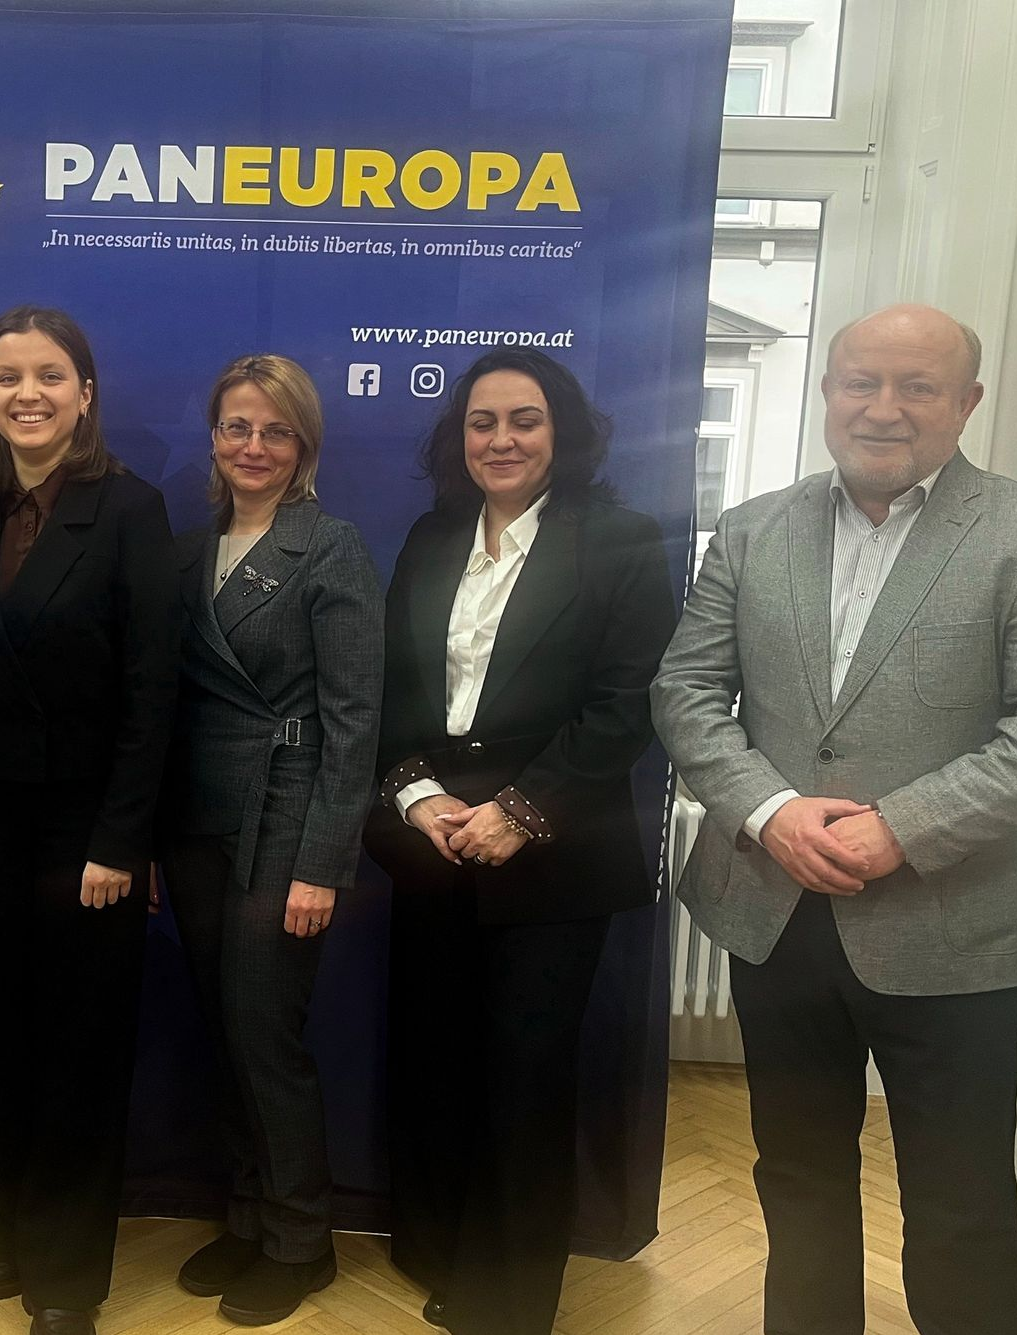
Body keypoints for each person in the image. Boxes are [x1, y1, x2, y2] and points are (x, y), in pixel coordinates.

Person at [652, 303, 1017, 1335]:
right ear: (828, 392)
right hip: (774, 913)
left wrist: (901, 827)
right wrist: (769, 811)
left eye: (917, 386)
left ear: (966, 403)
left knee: (959, 1200)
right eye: (861, 382)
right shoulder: (753, 528)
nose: (883, 408)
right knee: (795, 1174)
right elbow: (686, 692)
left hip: (956, 928)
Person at [362, 348, 676, 1335]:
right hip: (433, 844)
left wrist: (522, 809)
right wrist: (418, 799)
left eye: (524, 420)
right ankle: (438, 1251)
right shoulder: (431, 537)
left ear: (562, 432)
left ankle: (508, 1296)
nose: (501, 439)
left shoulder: (620, 541)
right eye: (482, 422)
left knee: (526, 1076)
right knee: (438, 1058)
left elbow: (629, 705)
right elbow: (392, 684)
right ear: (459, 439)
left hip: (555, 851)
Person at [0, 306, 179, 1335]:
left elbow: (153, 690)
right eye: (8, 376)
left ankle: (67, 1276)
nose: (29, 393)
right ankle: (10, 1233)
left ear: (86, 394)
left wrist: (122, 840)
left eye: (50, 375)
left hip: (86, 834)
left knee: (78, 1052)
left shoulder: (132, 508)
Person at [160, 354, 381, 1325]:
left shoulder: (330, 548)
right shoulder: (188, 550)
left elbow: (356, 720)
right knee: (223, 1031)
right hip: (195, 822)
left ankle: (301, 1241)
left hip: (285, 815)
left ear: (304, 445)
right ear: (214, 437)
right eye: (237, 427)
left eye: (275, 430)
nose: (253, 446)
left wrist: (323, 863)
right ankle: (248, 1217)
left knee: (265, 1036)